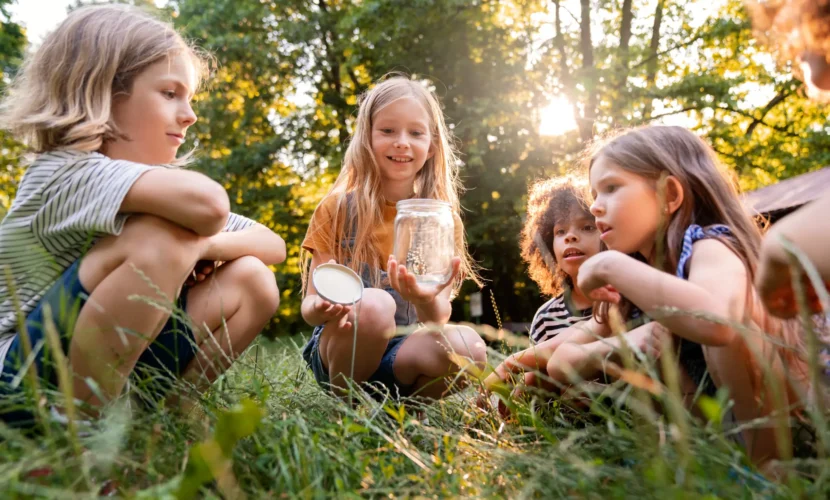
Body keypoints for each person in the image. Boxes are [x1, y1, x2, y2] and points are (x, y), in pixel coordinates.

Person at [0, 5, 285, 426]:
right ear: (104, 91)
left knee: (253, 280)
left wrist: (200, 246)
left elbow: (272, 246)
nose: (189, 114)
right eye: (170, 94)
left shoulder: (152, 189)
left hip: (94, 365)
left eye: (188, 98)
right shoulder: (62, 171)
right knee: (163, 237)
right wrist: (186, 244)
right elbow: (209, 207)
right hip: (20, 379)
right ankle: (77, 439)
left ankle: (159, 424)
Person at [300, 76, 486, 400]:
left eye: (415, 133)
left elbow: (437, 319)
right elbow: (310, 306)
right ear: (367, 138)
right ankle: (346, 412)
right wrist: (323, 307)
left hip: (399, 357)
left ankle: (400, 412)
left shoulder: (440, 220)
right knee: (375, 305)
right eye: (387, 131)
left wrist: (423, 297)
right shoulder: (337, 209)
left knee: (468, 347)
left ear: (431, 147)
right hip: (340, 353)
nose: (402, 142)